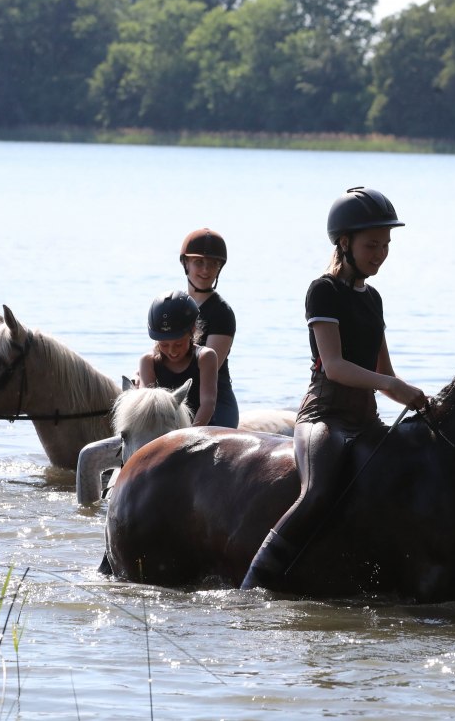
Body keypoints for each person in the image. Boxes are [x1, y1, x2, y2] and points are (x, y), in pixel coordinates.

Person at [240, 186, 428, 590]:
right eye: (371, 245)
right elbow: (337, 367)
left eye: (386, 245)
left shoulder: (373, 299)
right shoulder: (323, 290)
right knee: (318, 492)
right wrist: (391, 383)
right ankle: (256, 582)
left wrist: (420, 400)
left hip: (366, 418)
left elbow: (384, 370)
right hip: (325, 415)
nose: (380, 254)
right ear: (345, 243)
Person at [180, 227, 240, 428]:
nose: (205, 270)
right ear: (185, 263)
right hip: (178, 396)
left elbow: (208, 369)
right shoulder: (174, 305)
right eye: (199, 262)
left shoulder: (222, 312)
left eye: (212, 264)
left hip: (214, 400)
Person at [137, 290, 220, 428]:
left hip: (200, 431)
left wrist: (187, 437)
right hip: (161, 433)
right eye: (164, 344)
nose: (172, 351)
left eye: (178, 344)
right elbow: (147, 407)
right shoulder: (148, 362)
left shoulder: (206, 357)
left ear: (192, 330)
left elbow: (208, 404)